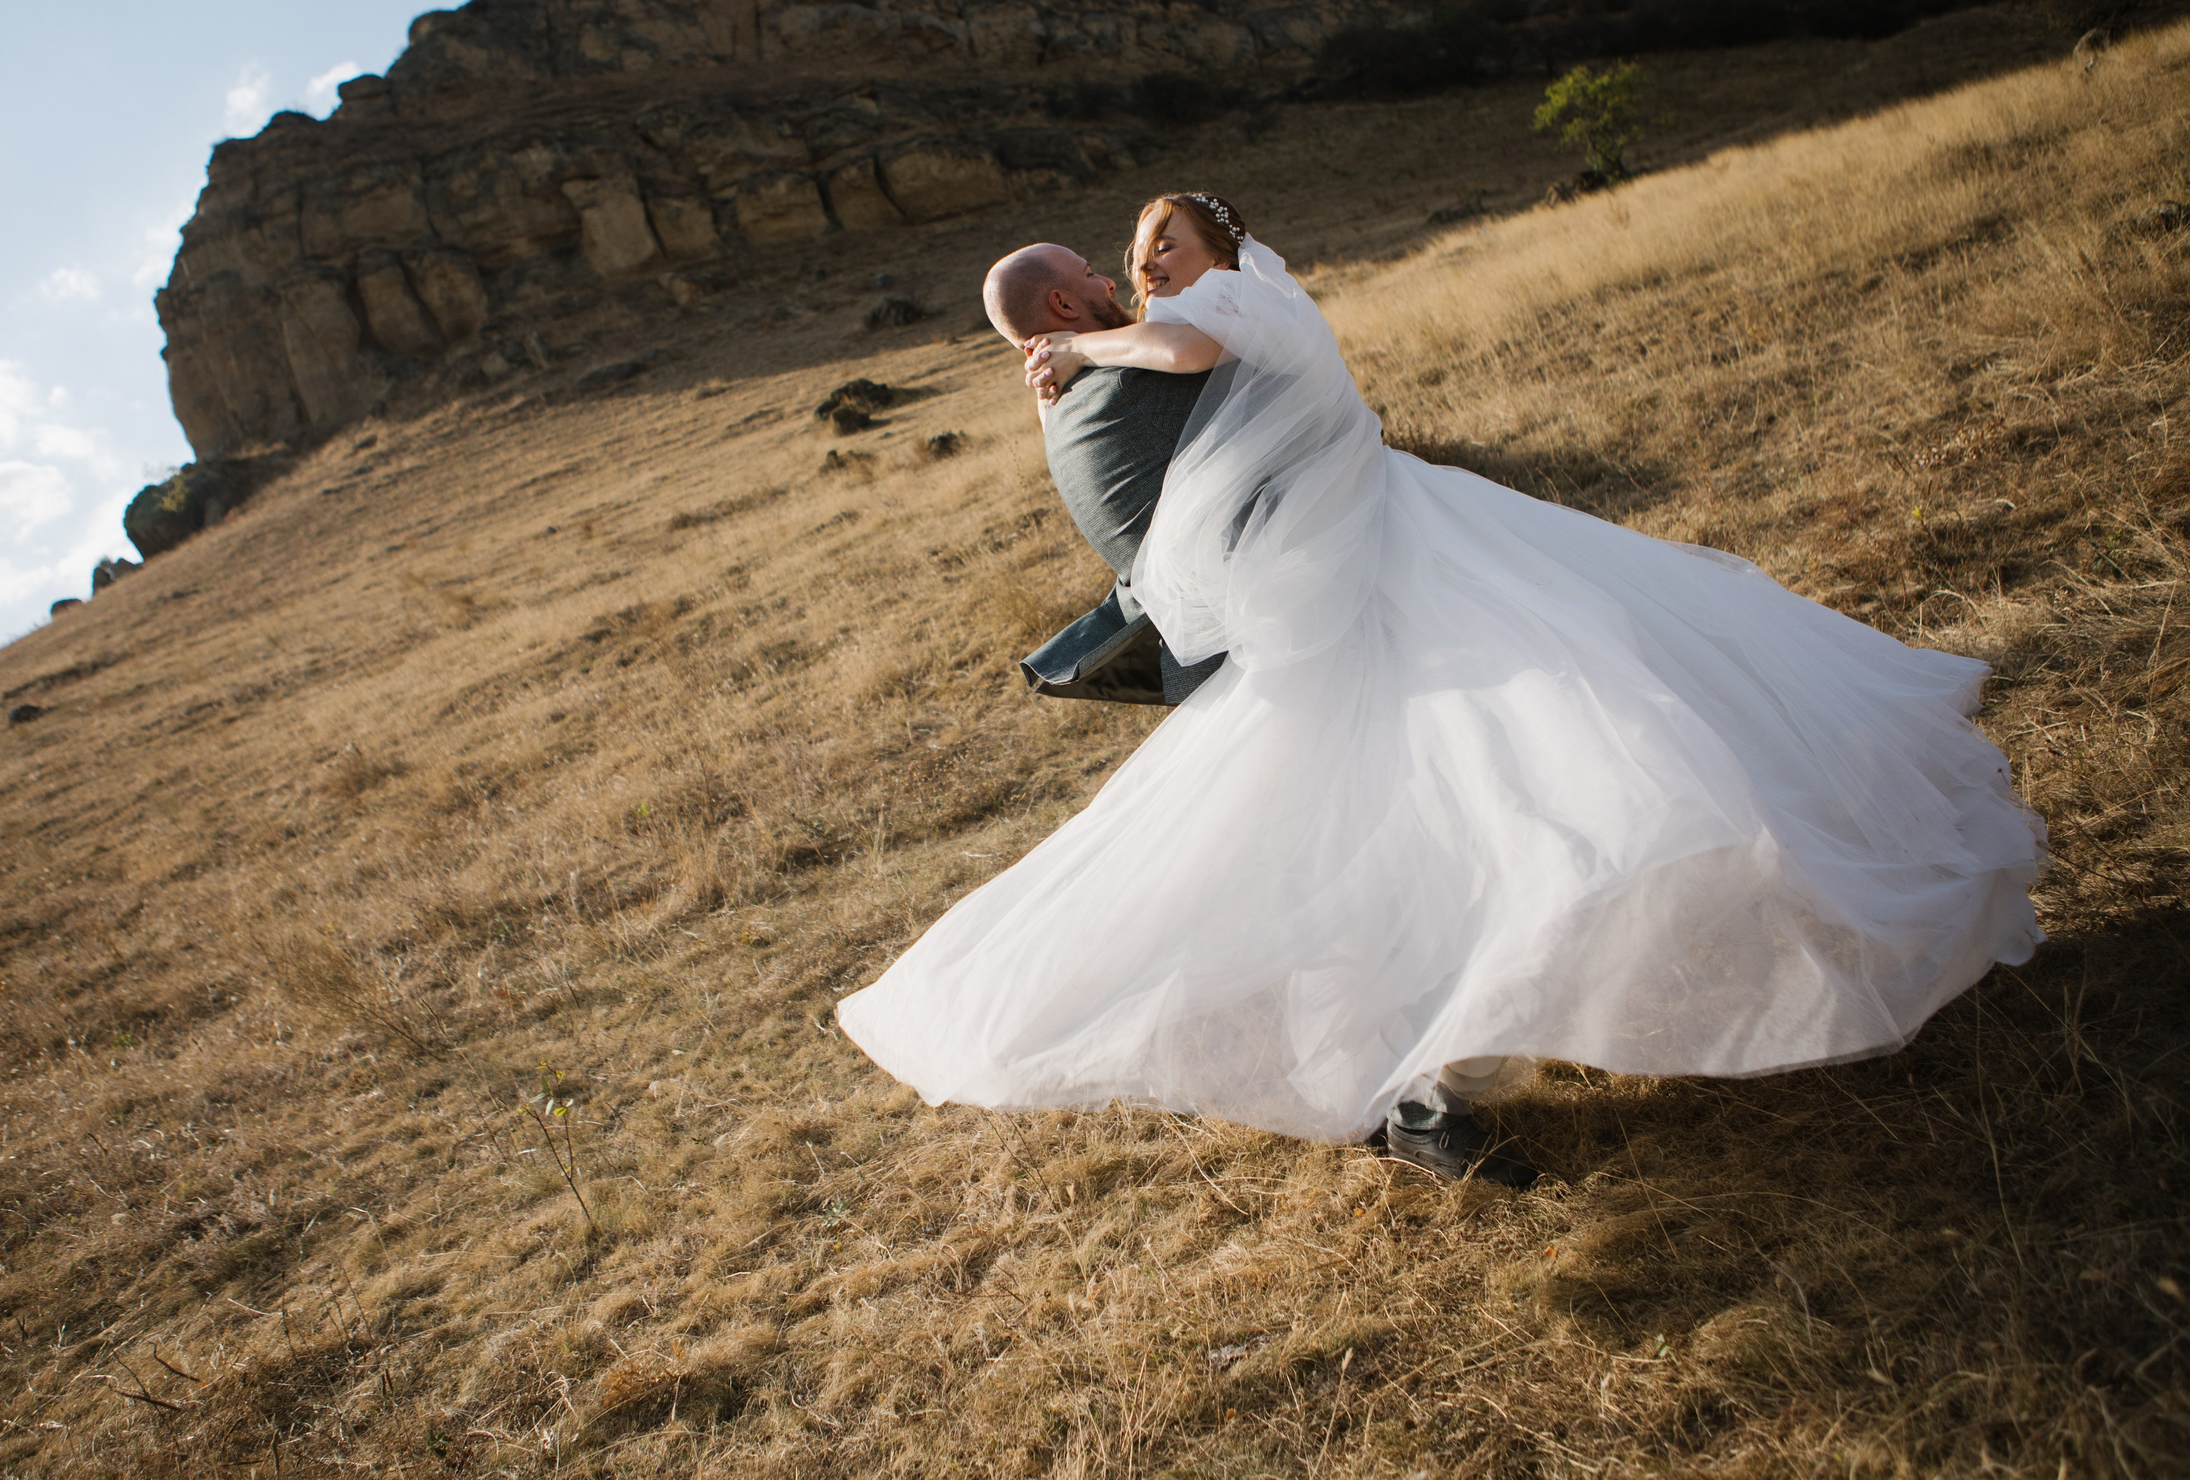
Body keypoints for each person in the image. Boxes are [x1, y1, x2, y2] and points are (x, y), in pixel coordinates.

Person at [837, 192, 2046, 1183]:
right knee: (1508, 773)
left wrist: (1074, 349)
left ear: (1216, 252)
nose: (1132, 272)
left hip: (1366, 572)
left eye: (1161, 247)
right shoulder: (1137, 346)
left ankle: (1441, 1062)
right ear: (1062, 304)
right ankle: (1443, 1065)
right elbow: (1181, 389)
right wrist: (1092, 346)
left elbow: (1194, 382)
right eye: (1110, 269)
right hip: (1358, 584)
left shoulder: (1158, 336)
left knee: (1462, 795)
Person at [979, 241, 1224, 705]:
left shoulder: (1059, 410)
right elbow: (1256, 362)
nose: (1111, 282)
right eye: (1091, 273)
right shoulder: (1128, 384)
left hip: (1192, 644)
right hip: (1254, 623)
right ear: (1063, 303)